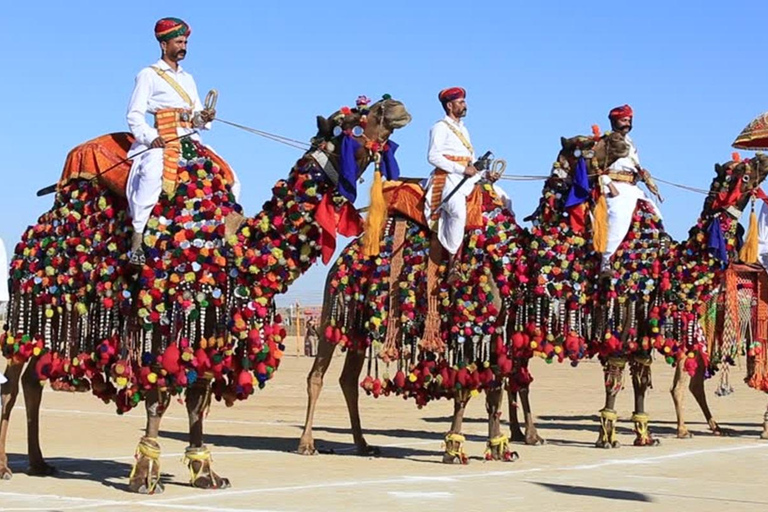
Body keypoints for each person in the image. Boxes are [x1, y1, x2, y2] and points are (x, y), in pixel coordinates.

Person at [126, 17, 241, 265]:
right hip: (163, 140)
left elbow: (197, 114)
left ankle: (229, 238)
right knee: (151, 174)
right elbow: (134, 115)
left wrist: (204, 116)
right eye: (179, 41)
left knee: (230, 177)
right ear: (164, 44)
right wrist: (151, 138)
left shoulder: (188, 78)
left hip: (191, 140)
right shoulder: (149, 74)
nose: (183, 46)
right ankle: (136, 239)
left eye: (186, 41)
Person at [423, 87, 513, 266]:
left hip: (469, 178)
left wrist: (486, 174)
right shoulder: (439, 127)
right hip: (448, 178)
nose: (465, 105)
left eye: (464, 101)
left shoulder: (464, 130)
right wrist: (461, 170)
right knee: (457, 212)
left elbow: (471, 161)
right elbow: (432, 156)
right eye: (461, 102)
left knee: (504, 198)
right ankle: (453, 261)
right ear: (450, 105)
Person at [600, 104, 663, 269]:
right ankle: (606, 260)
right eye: (623, 120)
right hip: (614, 187)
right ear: (614, 122)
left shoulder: (630, 142)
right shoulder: (606, 141)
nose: (626, 123)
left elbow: (634, 166)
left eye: (629, 120)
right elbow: (596, 167)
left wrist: (645, 177)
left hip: (632, 187)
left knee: (655, 215)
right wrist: (609, 185)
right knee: (618, 218)